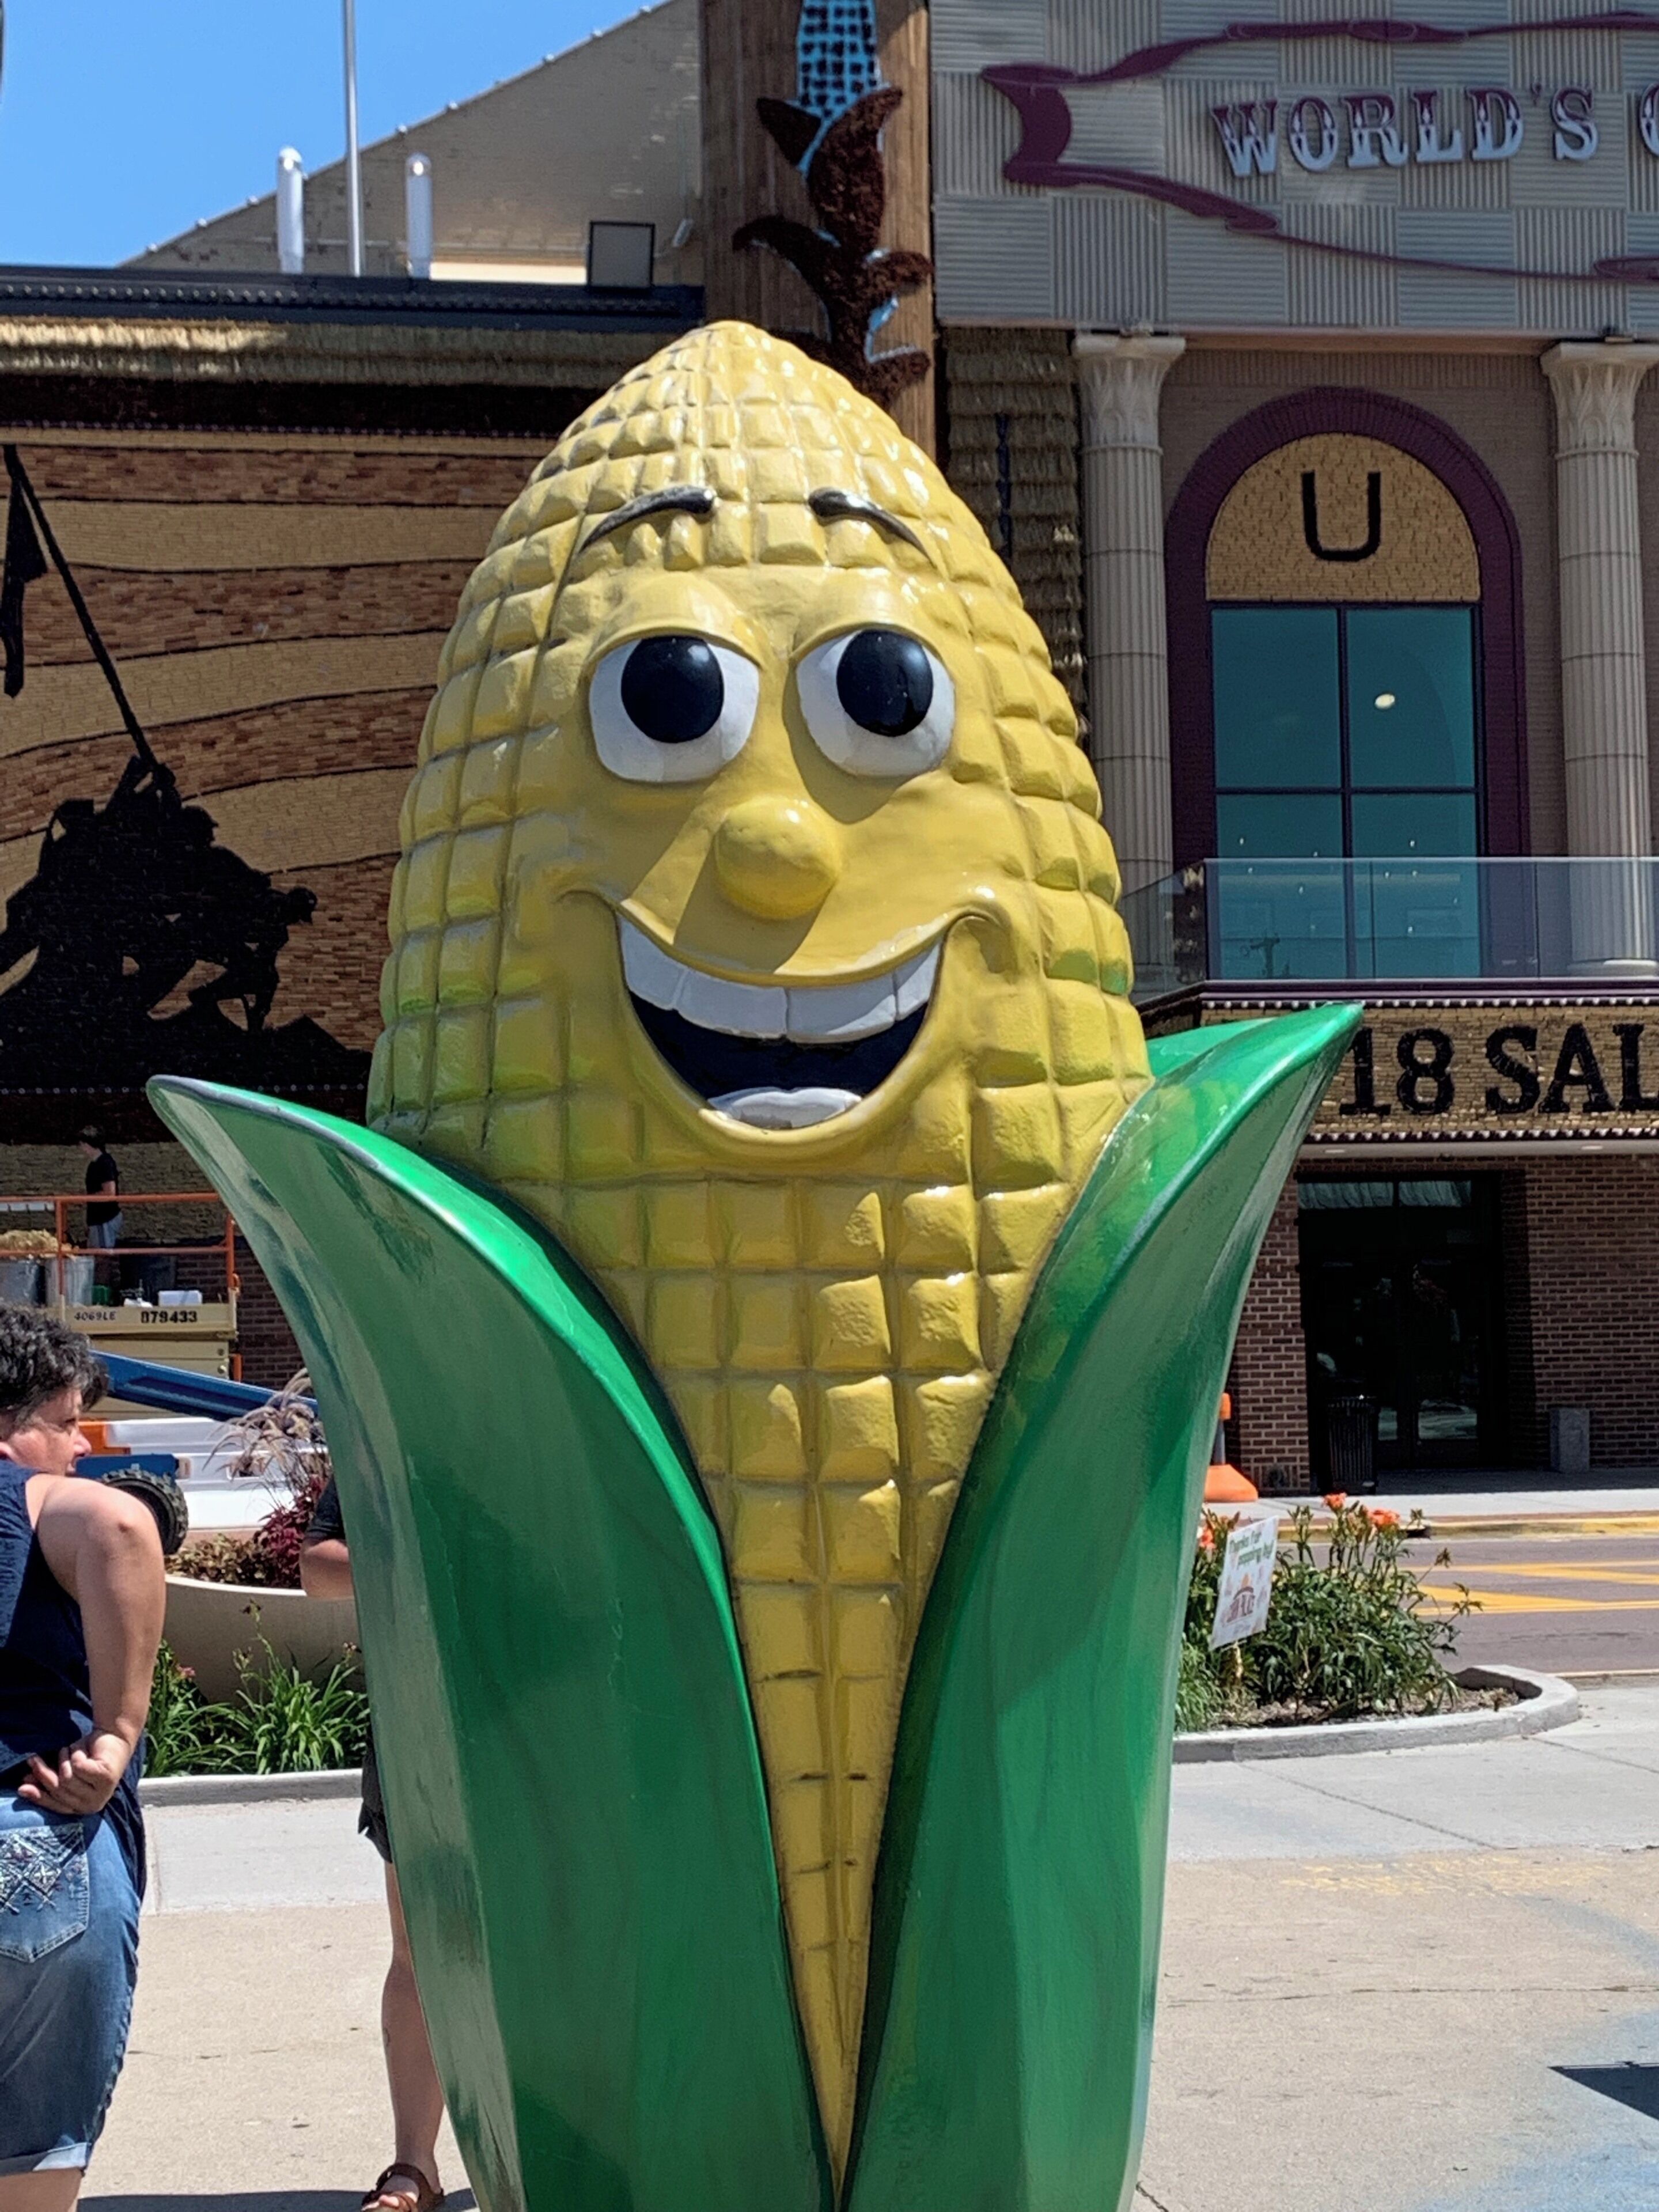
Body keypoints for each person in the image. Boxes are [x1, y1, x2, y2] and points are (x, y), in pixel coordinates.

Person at [0, 1306, 164, 2209]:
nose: (78, 1446)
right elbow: (121, 1527)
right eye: (65, 1423)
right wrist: (116, 1735)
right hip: (35, 1833)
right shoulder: (42, 1502)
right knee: (32, 2177)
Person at [300, 1480, 447, 2212]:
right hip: (417, 1726)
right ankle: (414, 2165)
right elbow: (319, 1567)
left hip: (550, 1719)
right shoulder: (382, 1443)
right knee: (418, 1950)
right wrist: (433, 1563)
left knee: (564, 1945)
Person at [77, 1131, 120, 1253]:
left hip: (104, 1218)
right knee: (96, 1253)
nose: (82, 1149)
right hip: (96, 1218)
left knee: (102, 1254)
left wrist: (85, 1198)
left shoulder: (105, 1163)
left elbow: (110, 1193)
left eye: (83, 1145)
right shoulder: (94, 1165)